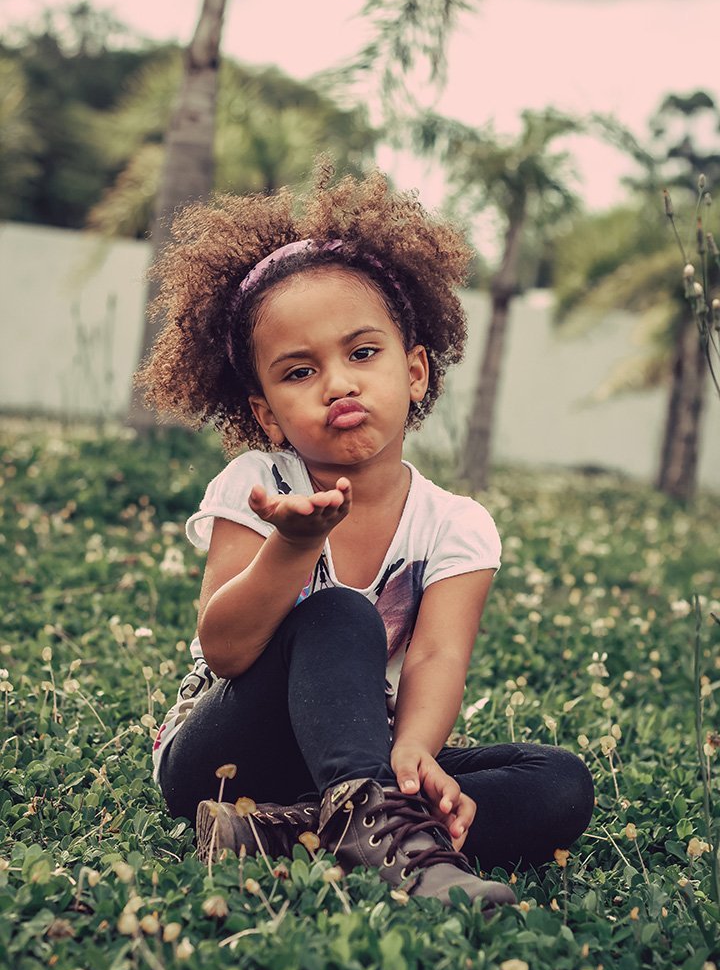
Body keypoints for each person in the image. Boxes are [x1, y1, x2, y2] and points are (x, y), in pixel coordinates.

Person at [140, 164, 594, 910]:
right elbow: (223, 648)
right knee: (341, 611)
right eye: (299, 371)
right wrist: (289, 548)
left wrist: (415, 751)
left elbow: (440, 653)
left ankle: (287, 832)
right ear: (267, 414)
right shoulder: (259, 484)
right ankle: (398, 846)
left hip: (359, 755)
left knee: (558, 784)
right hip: (219, 759)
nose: (338, 384)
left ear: (415, 371)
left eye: (363, 353)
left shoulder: (456, 523)